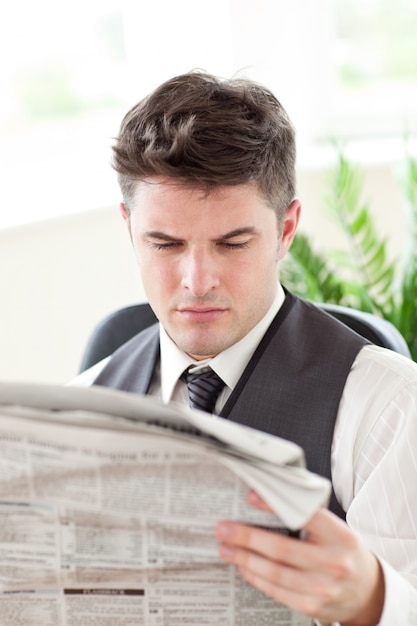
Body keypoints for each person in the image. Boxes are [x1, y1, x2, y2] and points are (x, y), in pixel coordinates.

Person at [73, 70, 417, 625]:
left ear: (286, 230)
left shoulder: (391, 408)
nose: (197, 279)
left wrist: (374, 602)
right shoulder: (81, 403)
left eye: (232, 243)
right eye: (164, 243)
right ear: (129, 229)